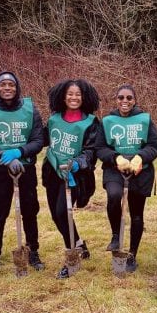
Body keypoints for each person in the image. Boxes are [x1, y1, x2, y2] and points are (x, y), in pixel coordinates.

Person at [0, 71, 45, 273]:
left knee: (29, 212)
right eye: (3, 85)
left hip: (26, 170)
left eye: (11, 84)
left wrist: (20, 151)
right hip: (0, 171)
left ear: (17, 87)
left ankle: (33, 253)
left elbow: (38, 140)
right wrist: (0, 154)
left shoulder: (29, 108)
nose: (7, 88)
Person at [95, 84, 157, 272]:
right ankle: (116, 236)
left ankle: (132, 254)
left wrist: (140, 156)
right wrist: (116, 158)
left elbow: (154, 146)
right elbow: (100, 148)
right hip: (115, 169)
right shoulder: (107, 121)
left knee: (137, 214)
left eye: (129, 98)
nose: (125, 101)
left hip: (140, 171)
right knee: (114, 196)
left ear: (135, 100)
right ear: (116, 100)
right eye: (121, 98)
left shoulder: (144, 119)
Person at [42, 79, 101, 279]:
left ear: (84, 97)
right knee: (55, 216)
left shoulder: (91, 122)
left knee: (63, 212)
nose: (74, 97)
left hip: (75, 176)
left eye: (78, 94)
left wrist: (78, 163)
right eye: (70, 94)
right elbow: (42, 139)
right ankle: (79, 244)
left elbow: (92, 151)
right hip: (53, 173)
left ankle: (71, 258)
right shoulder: (53, 119)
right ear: (62, 96)